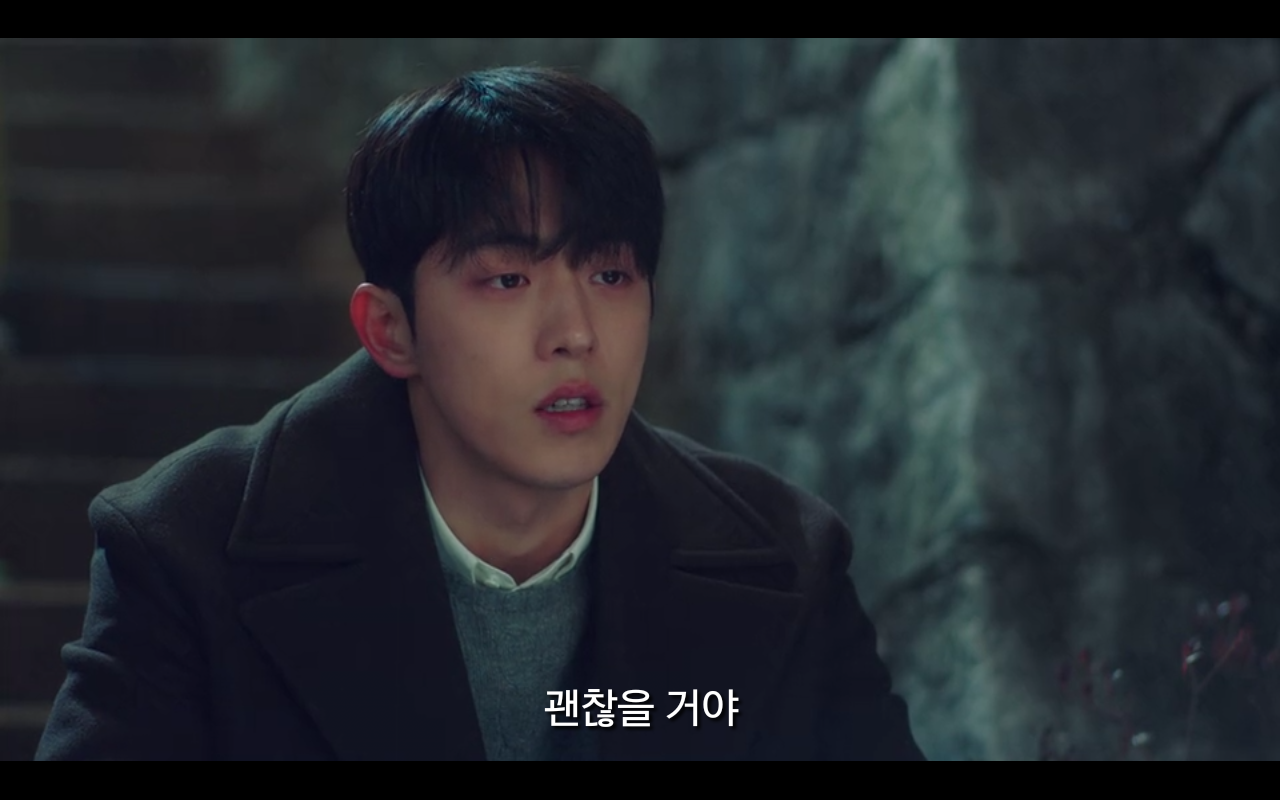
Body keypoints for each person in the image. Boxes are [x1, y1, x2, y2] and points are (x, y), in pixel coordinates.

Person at [36, 66, 924, 761]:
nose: (575, 333)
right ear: (391, 331)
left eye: (610, 273)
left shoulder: (785, 561)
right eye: (507, 279)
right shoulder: (187, 550)